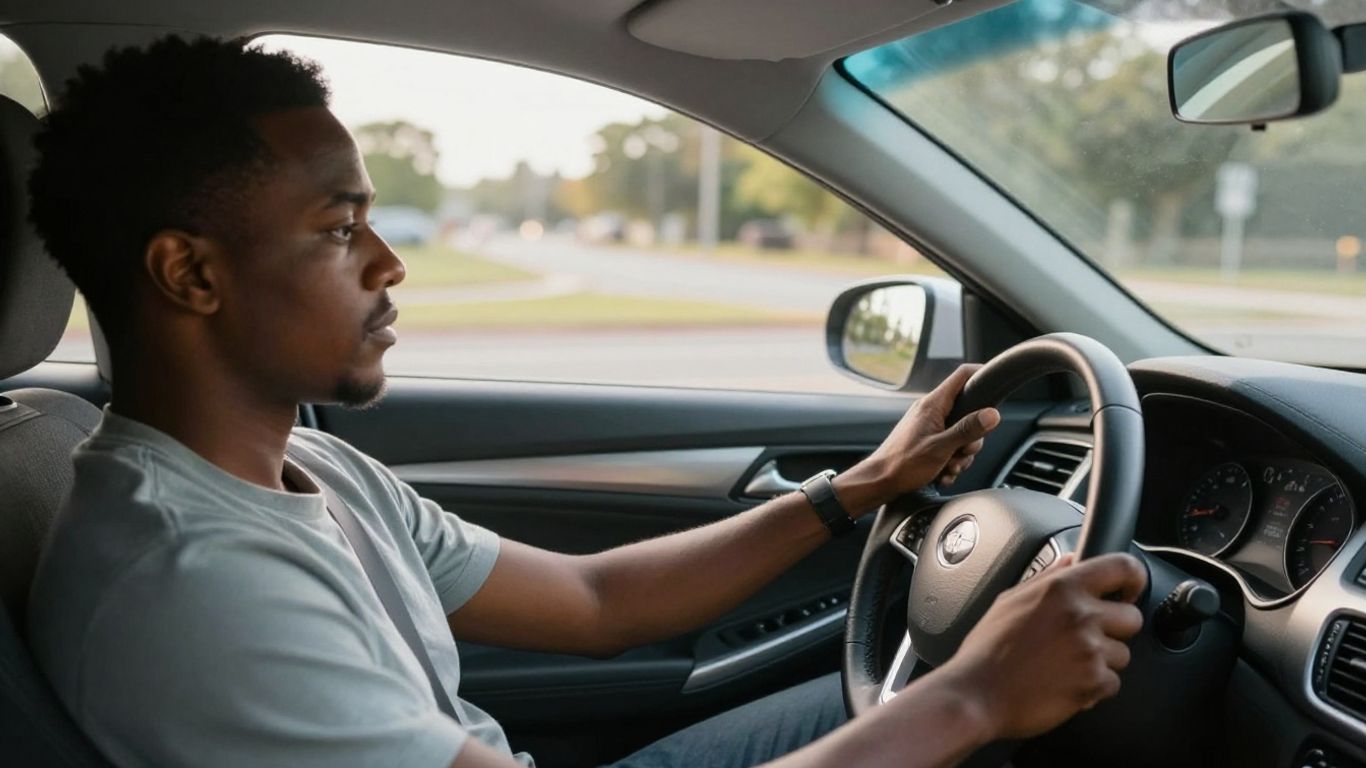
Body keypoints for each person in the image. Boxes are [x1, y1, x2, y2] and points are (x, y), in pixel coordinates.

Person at [23, 36, 1147, 768]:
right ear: (191, 275)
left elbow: (597, 601)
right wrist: (971, 701)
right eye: (335, 229)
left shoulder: (307, 471)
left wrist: (850, 493)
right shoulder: (192, 581)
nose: (387, 262)